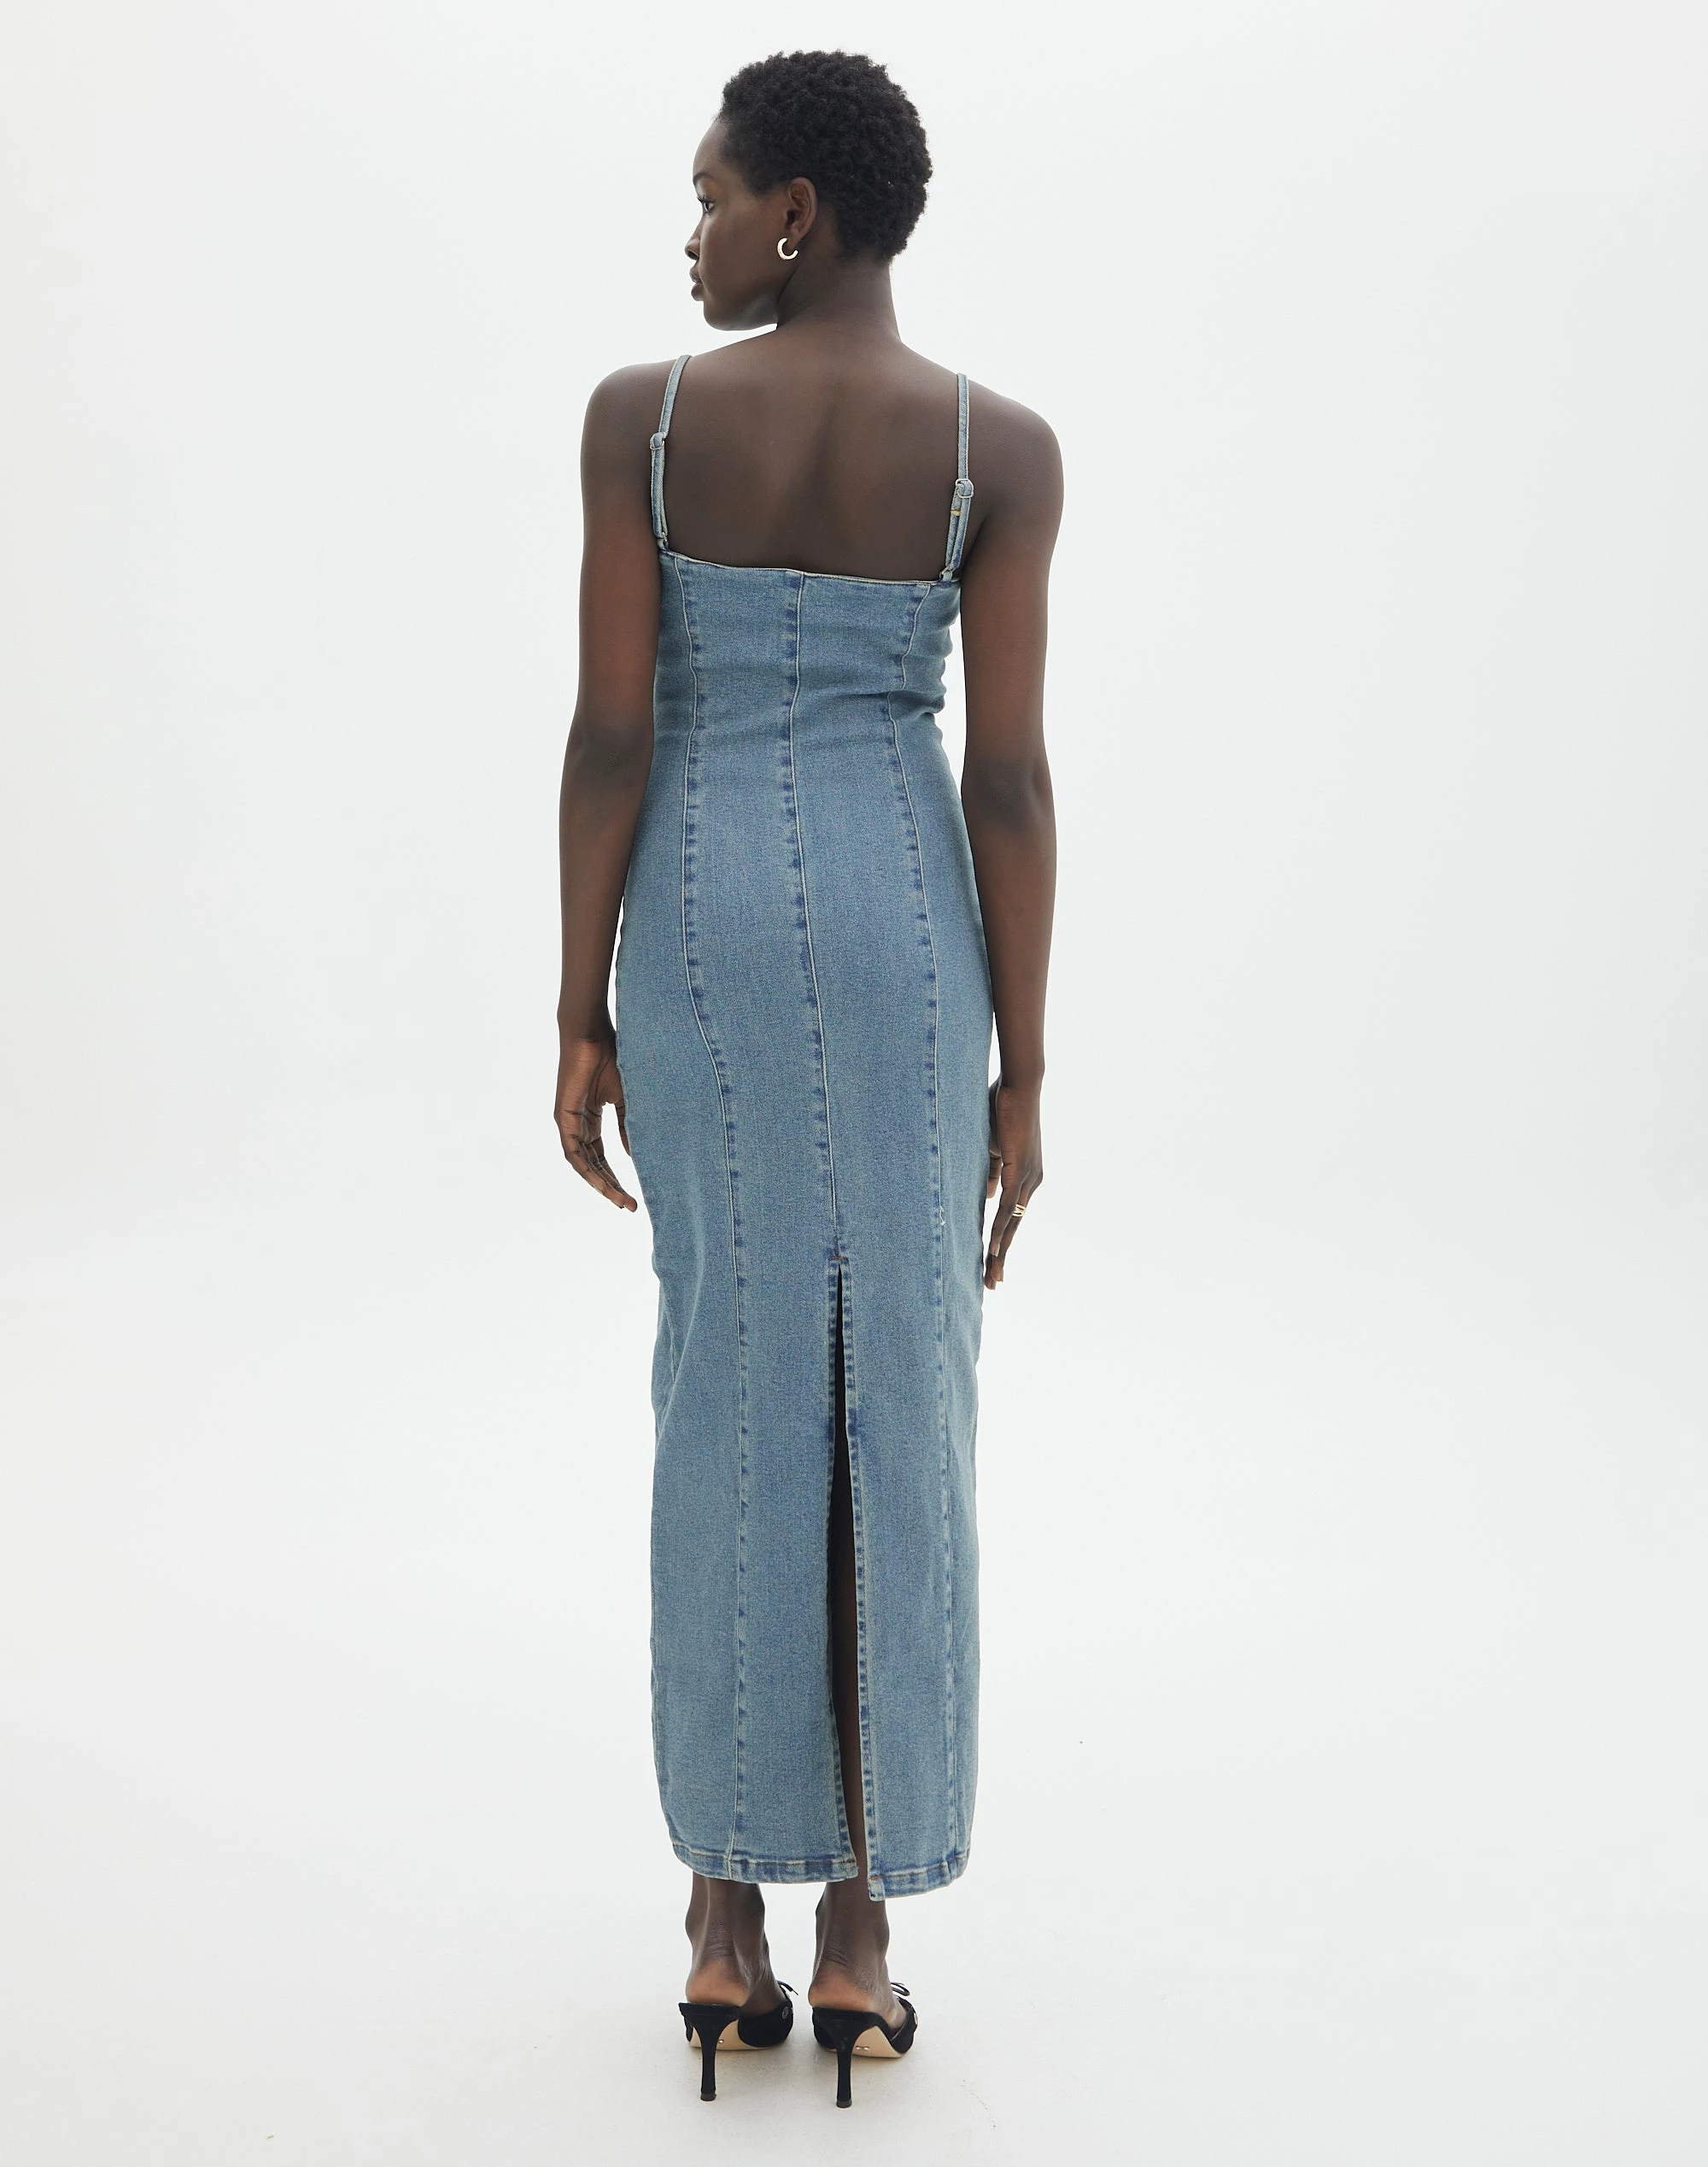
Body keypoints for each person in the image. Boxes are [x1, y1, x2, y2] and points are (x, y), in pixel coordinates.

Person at [553, 50, 1060, 2110]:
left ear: (796, 212)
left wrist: (576, 1003)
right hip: (904, 935)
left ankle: (716, 1915)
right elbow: (1005, 775)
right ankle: (859, 1927)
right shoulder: (998, 448)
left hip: (696, 930)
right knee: (902, 1394)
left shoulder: (646, 421)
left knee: (726, 1380)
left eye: (710, 195)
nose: (689, 234)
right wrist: (1026, 1069)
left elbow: (610, 731)